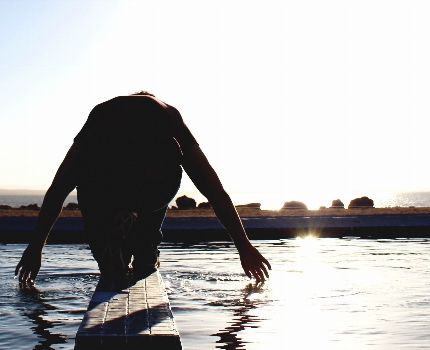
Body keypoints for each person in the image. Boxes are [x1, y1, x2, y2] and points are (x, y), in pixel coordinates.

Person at [15, 92, 271, 284]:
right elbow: (214, 190)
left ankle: (114, 247)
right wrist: (244, 246)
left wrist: (36, 247)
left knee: (107, 258)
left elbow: (59, 189)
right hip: (153, 189)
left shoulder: (102, 113)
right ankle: (146, 250)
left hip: (103, 187)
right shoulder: (167, 113)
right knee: (167, 169)